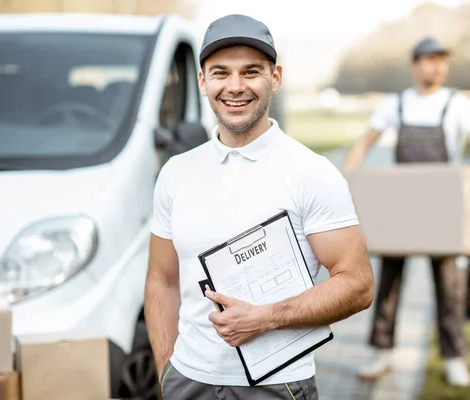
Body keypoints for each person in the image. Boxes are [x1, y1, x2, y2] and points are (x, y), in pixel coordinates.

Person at [145, 14, 375, 400]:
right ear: (203, 81)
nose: (234, 87)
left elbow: (358, 285)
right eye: (220, 73)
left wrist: (266, 318)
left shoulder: (311, 173)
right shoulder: (175, 173)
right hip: (186, 381)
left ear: (276, 78)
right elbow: (162, 279)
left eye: (251, 72)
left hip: (278, 385)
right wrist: (166, 371)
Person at [343, 37, 470, 387]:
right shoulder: (395, 104)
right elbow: (361, 148)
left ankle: (454, 357)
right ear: (415, 65)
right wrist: (346, 182)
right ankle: (380, 353)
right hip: (402, 207)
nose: (437, 66)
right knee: (389, 282)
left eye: (442, 60)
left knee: (448, 285)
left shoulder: (457, 104)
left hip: (444, 209)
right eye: (430, 60)